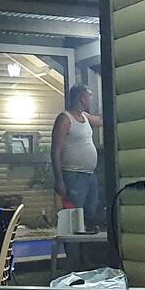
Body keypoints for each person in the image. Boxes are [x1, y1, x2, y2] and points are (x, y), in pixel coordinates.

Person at [51, 83, 104, 231]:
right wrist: (59, 180)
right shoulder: (65, 119)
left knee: (90, 214)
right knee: (75, 216)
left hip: (89, 175)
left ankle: (87, 242)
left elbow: (100, 120)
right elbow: (56, 150)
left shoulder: (85, 117)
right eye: (89, 96)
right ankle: (75, 245)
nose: (91, 99)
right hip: (73, 175)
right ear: (81, 98)